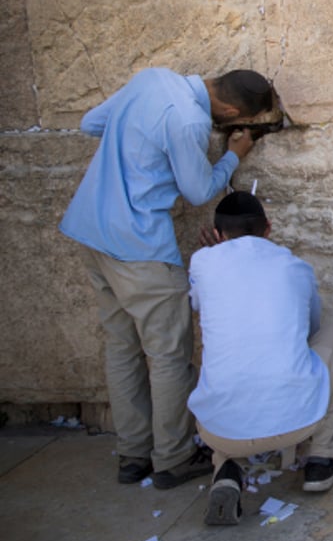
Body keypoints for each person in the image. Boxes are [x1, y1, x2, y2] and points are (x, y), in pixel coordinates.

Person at [60, 68, 275, 488]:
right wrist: (234, 154)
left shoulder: (152, 79)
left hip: (91, 230)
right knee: (169, 355)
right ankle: (173, 457)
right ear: (229, 111)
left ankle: (133, 454)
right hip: (138, 246)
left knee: (121, 346)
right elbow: (197, 190)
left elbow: (91, 123)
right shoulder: (190, 120)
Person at [187, 191, 333, 525]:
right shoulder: (295, 267)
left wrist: (214, 255)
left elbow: (197, 302)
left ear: (218, 234)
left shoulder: (203, 262)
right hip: (295, 423)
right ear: (269, 228)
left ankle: (226, 469)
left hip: (218, 430)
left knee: (225, 373)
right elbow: (312, 329)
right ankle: (321, 458)